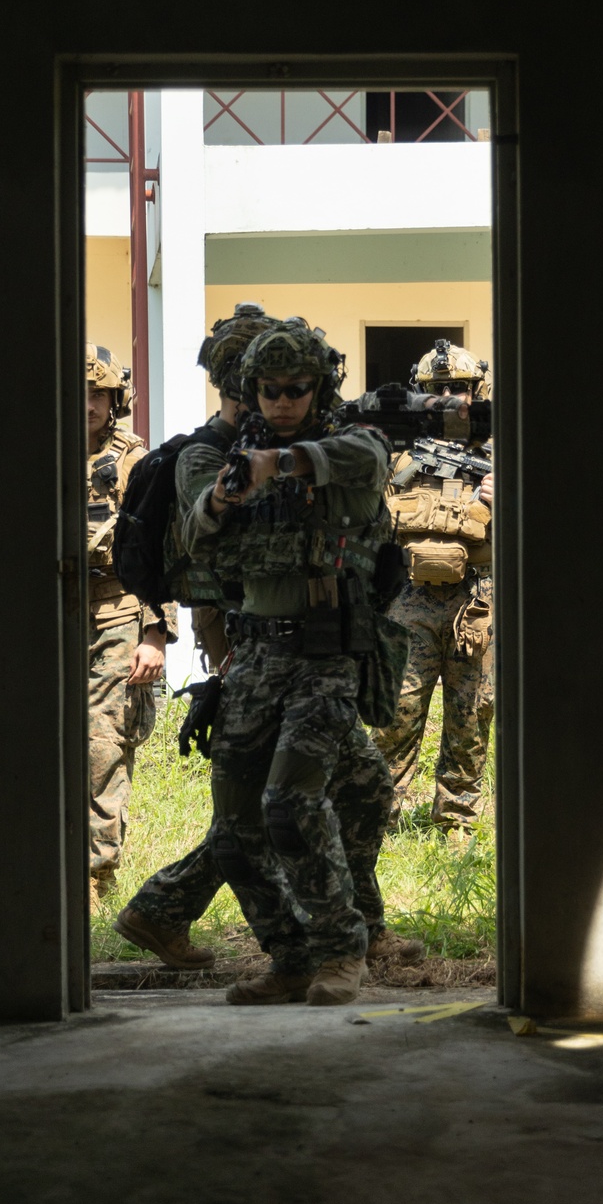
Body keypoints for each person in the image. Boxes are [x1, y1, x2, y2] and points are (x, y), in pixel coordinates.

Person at [176, 318, 401, 1007]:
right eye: (269, 391)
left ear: (318, 387)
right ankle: (291, 957)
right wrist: (222, 498)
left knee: (289, 804)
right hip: (256, 658)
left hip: (326, 656)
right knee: (237, 828)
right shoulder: (220, 457)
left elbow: (367, 459)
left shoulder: (351, 446)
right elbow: (192, 535)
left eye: (296, 389)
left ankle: (342, 951)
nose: (281, 402)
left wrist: (285, 462)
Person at [112, 302, 278, 968]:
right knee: (266, 788)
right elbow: (221, 535)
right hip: (242, 625)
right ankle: (170, 910)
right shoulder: (206, 454)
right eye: (269, 378)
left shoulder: (267, 443)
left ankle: (165, 910)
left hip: (275, 626)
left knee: (286, 783)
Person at [370, 341, 495, 833]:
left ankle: (456, 824)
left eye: (457, 388)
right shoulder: (394, 456)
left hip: (475, 602)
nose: (447, 396)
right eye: (435, 388)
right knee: (395, 714)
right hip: (408, 603)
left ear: (474, 391)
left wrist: (506, 493)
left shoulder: (499, 454)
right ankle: (377, 820)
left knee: (471, 716)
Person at [85, 344, 176, 910]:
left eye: (97, 394)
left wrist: (154, 634)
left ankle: (95, 873)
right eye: (77, 393)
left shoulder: (134, 462)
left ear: (115, 399)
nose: (87, 404)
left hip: (117, 613)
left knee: (102, 745)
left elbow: (160, 551)